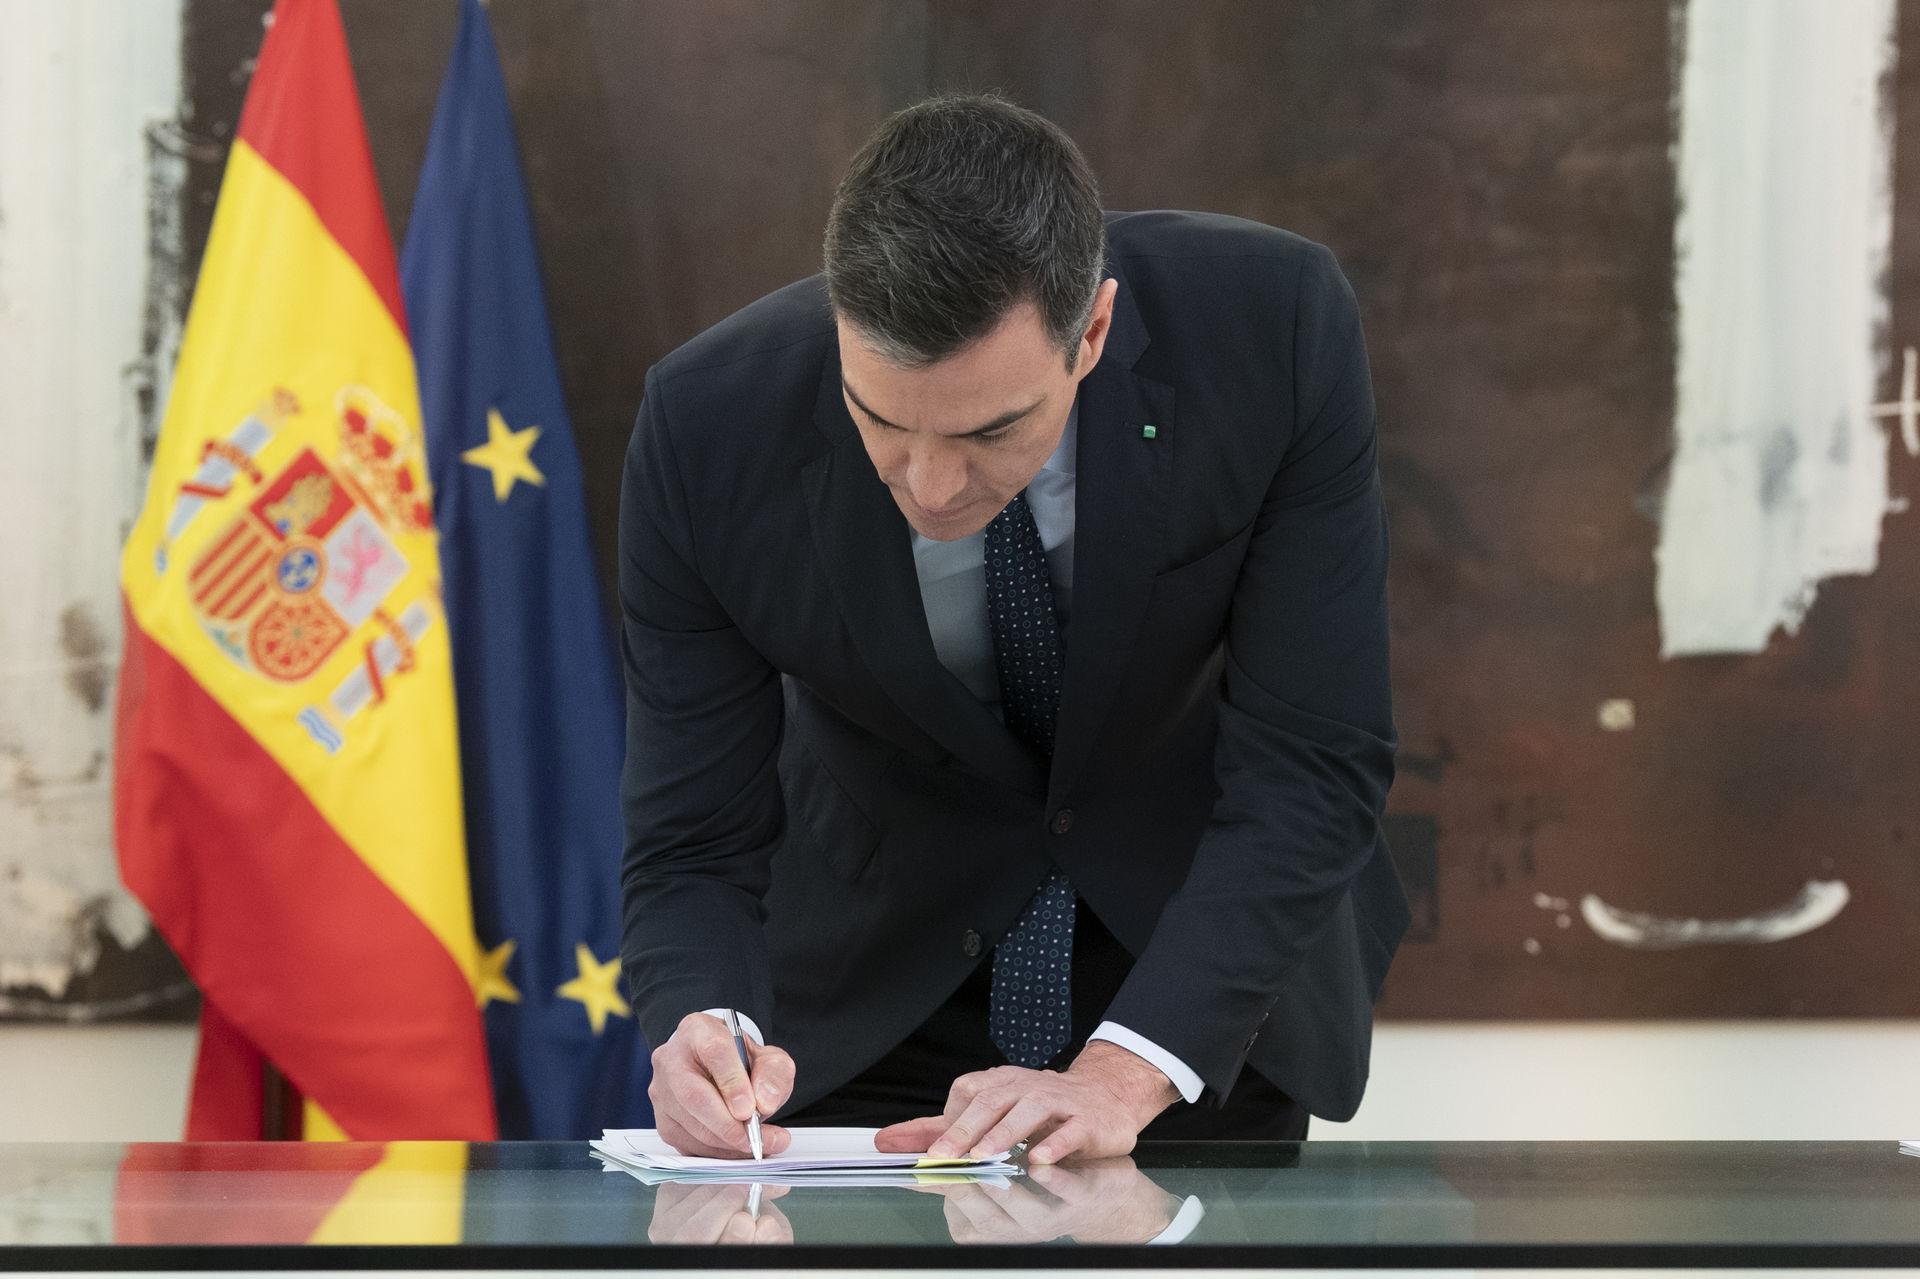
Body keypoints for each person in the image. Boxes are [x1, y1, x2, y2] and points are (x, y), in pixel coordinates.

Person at [619, 93, 1406, 1164]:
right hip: (870, 995)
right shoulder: (706, 424)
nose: (932, 487)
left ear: (1093, 334)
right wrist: (707, 1023)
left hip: (1195, 984)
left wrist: (1128, 1070)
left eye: (991, 430)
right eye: (881, 421)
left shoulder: (1272, 326)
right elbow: (693, 833)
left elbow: (1314, 757)